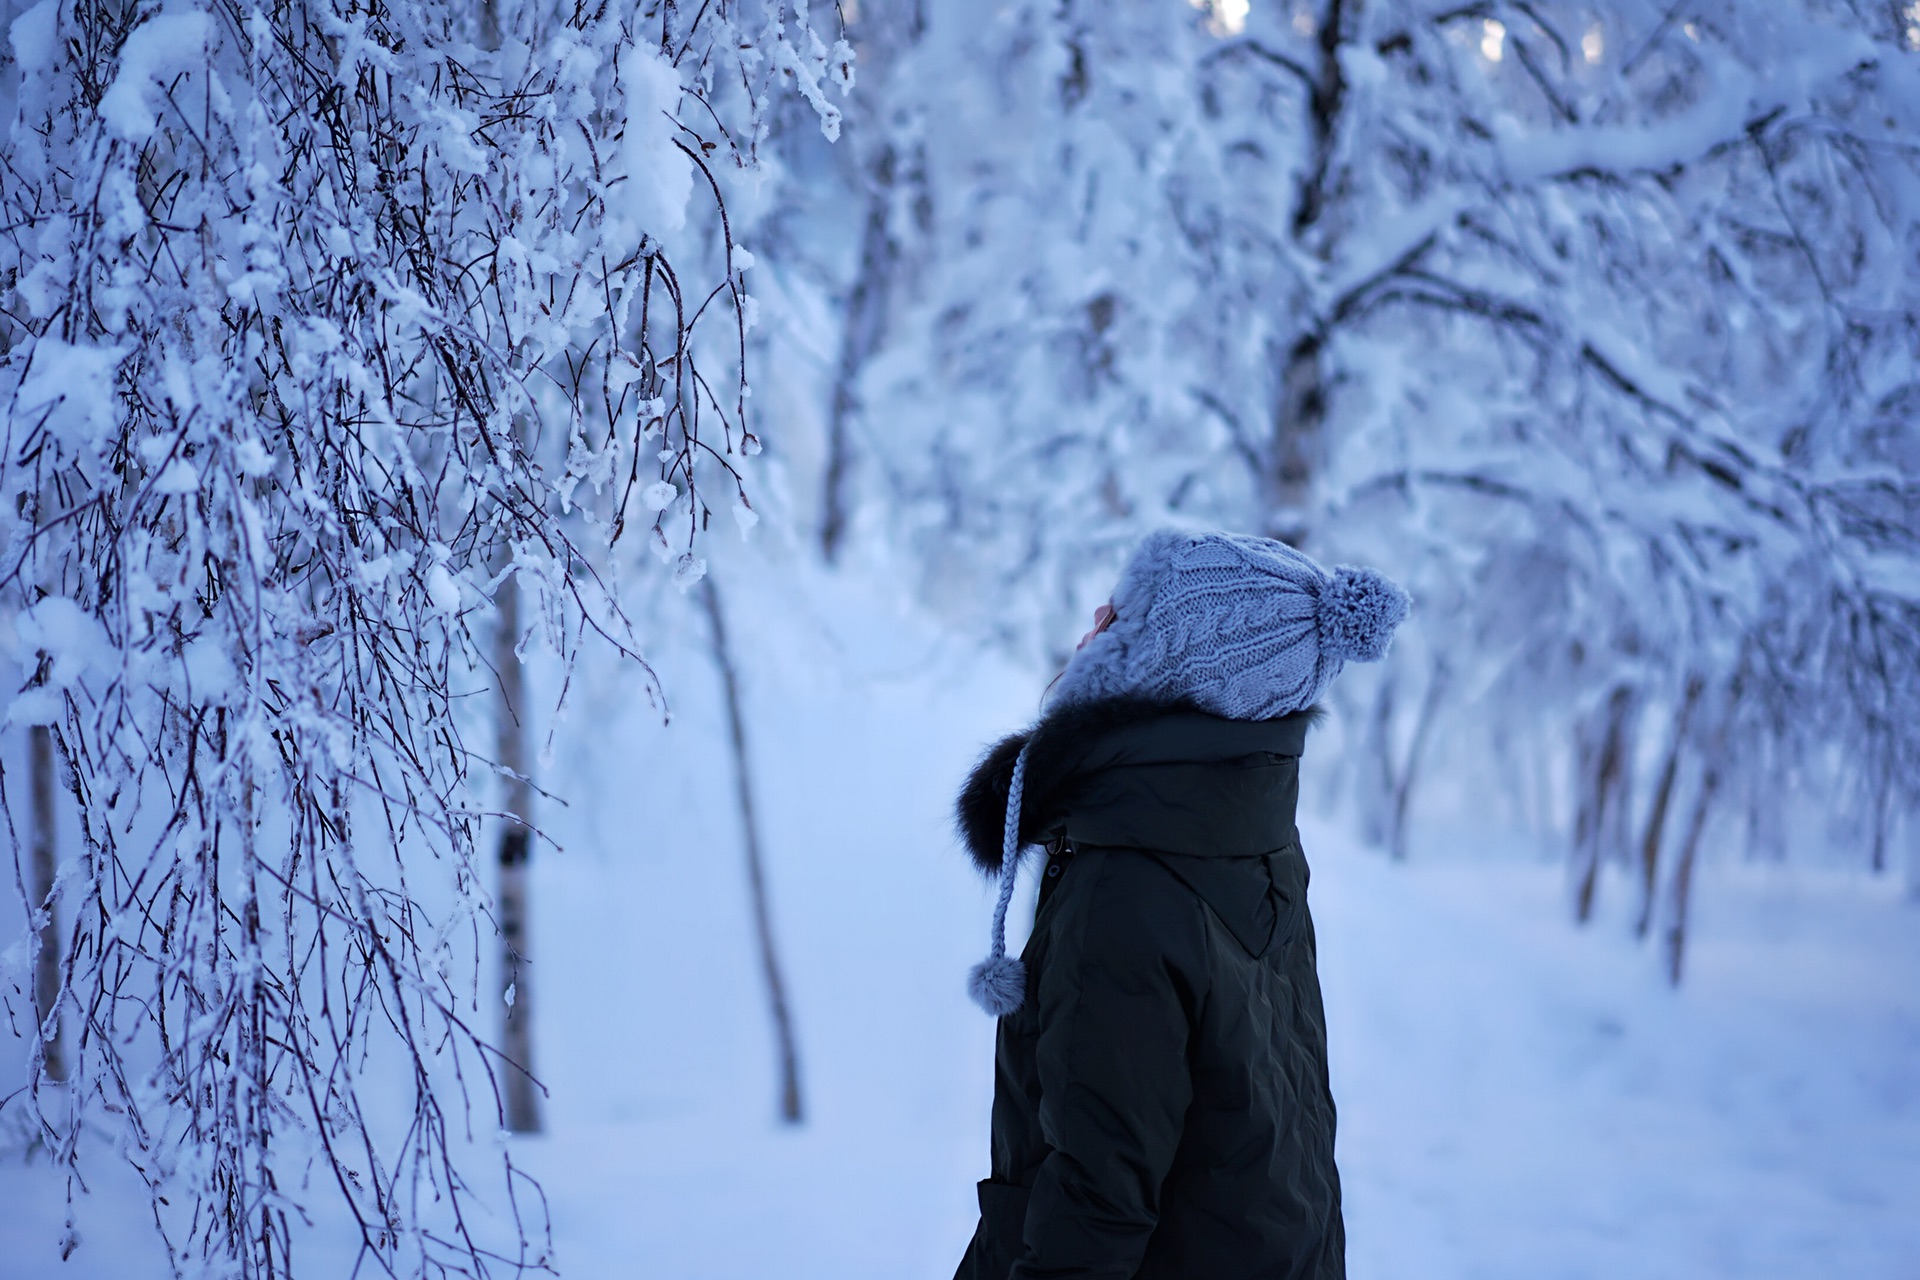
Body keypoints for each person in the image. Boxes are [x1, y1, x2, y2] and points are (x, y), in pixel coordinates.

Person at [951, 529, 1409, 1280]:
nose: (1098, 615)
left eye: (1126, 613)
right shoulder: (1246, 836)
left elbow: (1097, 1202)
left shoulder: (1130, 884)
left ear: (1170, 671)